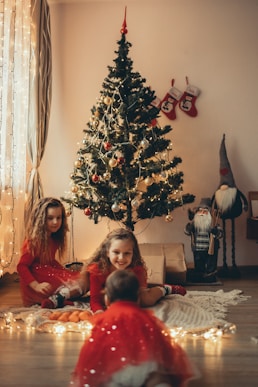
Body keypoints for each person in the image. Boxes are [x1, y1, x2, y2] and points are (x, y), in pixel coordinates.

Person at [70, 270, 197, 387]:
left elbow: (93, 348)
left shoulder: (104, 320)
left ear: (107, 299)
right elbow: (161, 344)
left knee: (106, 380)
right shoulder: (147, 318)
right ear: (138, 298)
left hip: (114, 369)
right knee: (157, 377)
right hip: (146, 366)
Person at [84, 228, 186, 314]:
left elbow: (136, 298)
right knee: (105, 298)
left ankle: (165, 289)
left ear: (133, 253)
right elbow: (95, 300)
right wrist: (99, 313)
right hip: (110, 292)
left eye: (127, 253)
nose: (121, 258)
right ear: (107, 252)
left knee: (146, 299)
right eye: (116, 252)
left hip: (131, 293)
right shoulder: (97, 270)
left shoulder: (136, 269)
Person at [17, 197, 88, 308]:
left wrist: (64, 271)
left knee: (84, 280)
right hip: (37, 280)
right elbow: (22, 267)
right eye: (50, 218)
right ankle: (59, 298)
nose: (55, 222)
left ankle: (59, 298)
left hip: (48, 272)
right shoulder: (33, 241)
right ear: (41, 219)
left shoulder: (54, 238)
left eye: (58, 218)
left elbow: (50, 260)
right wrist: (36, 286)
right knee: (76, 284)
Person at [184, 198, 223, 283]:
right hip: (197, 249)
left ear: (209, 213)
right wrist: (189, 228)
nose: (201, 213)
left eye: (204, 211)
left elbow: (220, 235)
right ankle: (199, 276)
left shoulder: (214, 224)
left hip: (211, 249)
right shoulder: (194, 224)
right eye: (200, 211)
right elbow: (187, 232)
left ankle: (210, 276)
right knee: (199, 264)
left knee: (211, 265)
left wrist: (215, 231)